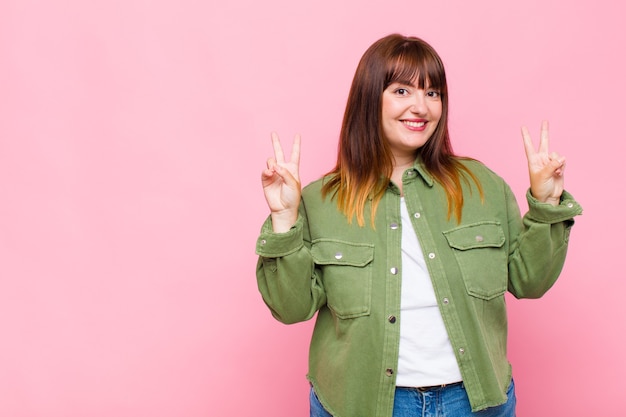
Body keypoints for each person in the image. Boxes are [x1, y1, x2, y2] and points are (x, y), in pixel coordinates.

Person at [255, 34, 582, 417]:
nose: (421, 106)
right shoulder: (319, 200)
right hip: (359, 404)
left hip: (474, 402)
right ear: (369, 98)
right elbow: (291, 308)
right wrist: (283, 218)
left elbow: (529, 281)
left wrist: (547, 205)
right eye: (402, 90)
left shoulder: (482, 186)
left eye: (433, 93)